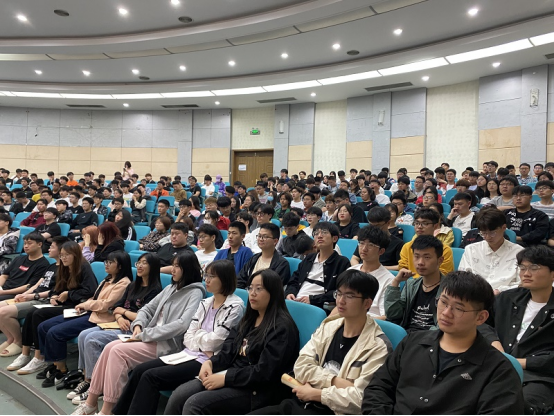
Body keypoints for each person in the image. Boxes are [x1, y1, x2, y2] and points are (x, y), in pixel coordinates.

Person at [363, 270, 524, 415]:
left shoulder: (499, 370)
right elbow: (378, 388)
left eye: (458, 308)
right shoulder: (412, 342)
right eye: (443, 302)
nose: (446, 313)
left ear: (481, 317)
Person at [112, 260, 245, 415]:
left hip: (207, 361)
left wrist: (198, 336)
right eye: (206, 275)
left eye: (212, 276)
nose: (207, 280)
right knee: (139, 370)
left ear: (225, 278)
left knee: (151, 377)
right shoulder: (206, 302)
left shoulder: (235, 306)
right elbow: (188, 336)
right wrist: (200, 338)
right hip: (187, 353)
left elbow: (216, 342)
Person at [164, 269, 299, 415]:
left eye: (259, 289)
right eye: (250, 288)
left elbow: (265, 372)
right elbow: (228, 351)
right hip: (232, 376)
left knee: (195, 404)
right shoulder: (249, 319)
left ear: (273, 292)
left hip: (257, 389)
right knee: (179, 395)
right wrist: (210, 363)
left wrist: (226, 378)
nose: (252, 293)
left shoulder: (282, 327)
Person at [256, 270, 391, 416]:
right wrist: (335, 382)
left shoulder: (378, 346)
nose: (341, 301)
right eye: (339, 294)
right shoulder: (329, 326)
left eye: (350, 296)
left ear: (367, 303)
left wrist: (318, 394)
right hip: (300, 404)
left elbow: (361, 399)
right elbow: (300, 366)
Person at [68, 253, 163, 405]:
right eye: (138, 262)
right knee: (83, 335)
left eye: (144, 263)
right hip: (119, 323)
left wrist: (123, 312)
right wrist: (119, 317)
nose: (139, 266)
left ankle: (97, 387)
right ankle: (87, 379)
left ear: (153, 267)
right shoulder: (133, 286)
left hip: (134, 329)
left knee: (92, 339)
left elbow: (144, 317)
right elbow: (115, 308)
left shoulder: (155, 291)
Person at [35, 251, 132, 389]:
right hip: (89, 312)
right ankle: (53, 363)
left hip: (100, 318)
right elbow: (95, 297)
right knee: (43, 326)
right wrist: (84, 305)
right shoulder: (108, 279)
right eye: (106, 262)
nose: (106, 265)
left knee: (55, 332)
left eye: (110, 262)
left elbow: (105, 305)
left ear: (120, 266)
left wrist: (85, 305)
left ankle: (61, 370)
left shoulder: (124, 283)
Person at [480, 246, 554, 415]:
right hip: (496, 366)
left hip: (539, 377)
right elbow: (481, 323)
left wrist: (519, 362)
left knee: (512, 405)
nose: (526, 273)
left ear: (553, 274)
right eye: (522, 268)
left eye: (534, 268)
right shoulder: (507, 298)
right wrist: (494, 343)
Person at [6, 241, 98, 375]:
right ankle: (25, 353)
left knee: (38, 314)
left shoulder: (84, 267)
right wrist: (54, 296)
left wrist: (68, 294)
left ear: (75, 255)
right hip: (63, 303)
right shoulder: (64, 267)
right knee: (32, 312)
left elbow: (90, 291)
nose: (63, 258)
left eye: (67, 255)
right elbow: (57, 288)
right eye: (62, 255)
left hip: (77, 306)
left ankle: (40, 357)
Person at [0, 237, 69, 359]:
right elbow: (37, 285)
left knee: (4, 312)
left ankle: (18, 341)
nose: (49, 249)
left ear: (61, 250)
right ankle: (10, 339)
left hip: (42, 300)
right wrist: (25, 294)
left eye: (52, 247)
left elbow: (54, 291)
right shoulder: (51, 266)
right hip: (33, 296)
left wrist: (32, 296)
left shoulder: (65, 269)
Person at [386, 235, 446, 332]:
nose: (420, 262)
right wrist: (395, 282)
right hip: (406, 334)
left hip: (431, 337)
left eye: (427, 257)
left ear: (440, 260)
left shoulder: (449, 289)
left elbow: (444, 326)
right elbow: (393, 314)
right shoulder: (411, 285)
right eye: (416, 257)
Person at [285, 222, 351, 309]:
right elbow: (294, 280)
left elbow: (339, 291)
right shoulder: (309, 258)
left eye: (324, 232)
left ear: (334, 238)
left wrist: (312, 299)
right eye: (316, 233)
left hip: (316, 306)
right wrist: (290, 293)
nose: (319, 236)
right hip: (294, 301)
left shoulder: (342, 262)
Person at [459, 208, 523, 294]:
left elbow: (522, 283)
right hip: (475, 295)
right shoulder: (471, 250)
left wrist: (500, 291)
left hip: (505, 297)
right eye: (483, 233)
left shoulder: (519, 252)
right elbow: (462, 279)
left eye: (492, 233)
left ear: (504, 228)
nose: (488, 237)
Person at [346, 227, 395, 319]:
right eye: (361, 243)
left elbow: (385, 317)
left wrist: (357, 320)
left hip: (371, 322)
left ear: (381, 251)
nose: (364, 249)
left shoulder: (389, 280)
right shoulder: (350, 271)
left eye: (371, 245)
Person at [398, 208, 454, 278]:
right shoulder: (407, 247)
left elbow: (443, 274)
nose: (419, 227)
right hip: (411, 282)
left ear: (435, 226)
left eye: (425, 223)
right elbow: (403, 268)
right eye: (417, 223)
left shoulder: (444, 250)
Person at [237, 223, 290, 289]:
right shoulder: (254, 258)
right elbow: (240, 279)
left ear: (275, 241)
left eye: (265, 237)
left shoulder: (282, 264)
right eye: (259, 236)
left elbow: (274, 288)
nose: (261, 239)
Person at [0, 233, 50, 302]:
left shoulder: (43, 264)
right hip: (3, 290)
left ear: (39, 244)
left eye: (29, 243)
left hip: (17, 294)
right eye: (25, 243)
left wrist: (4, 292)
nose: (26, 246)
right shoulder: (18, 258)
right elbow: (4, 275)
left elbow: (29, 286)